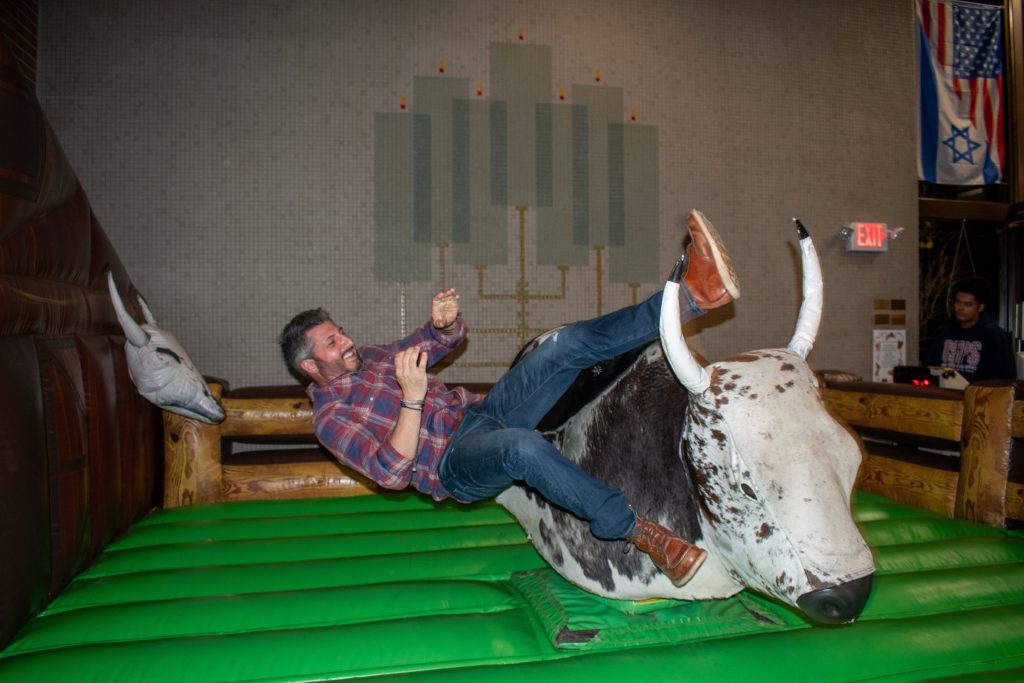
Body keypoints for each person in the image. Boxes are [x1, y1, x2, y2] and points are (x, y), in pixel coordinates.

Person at [280, 210, 740, 586]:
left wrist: (443, 326)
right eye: (332, 343)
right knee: (521, 449)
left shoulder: (376, 358)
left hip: (482, 414)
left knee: (566, 345)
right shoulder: (331, 419)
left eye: (340, 333)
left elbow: (436, 343)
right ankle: (640, 532)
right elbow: (390, 474)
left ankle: (694, 297)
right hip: (453, 465)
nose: (346, 342)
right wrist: (412, 403)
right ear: (311, 366)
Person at [925, 276, 1017, 383]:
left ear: (980, 307)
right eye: (958, 302)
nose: (960, 308)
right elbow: (931, 366)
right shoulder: (945, 332)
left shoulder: (994, 335)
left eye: (967, 304)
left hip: (979, 397)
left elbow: (1005, 378)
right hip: (947, 395)